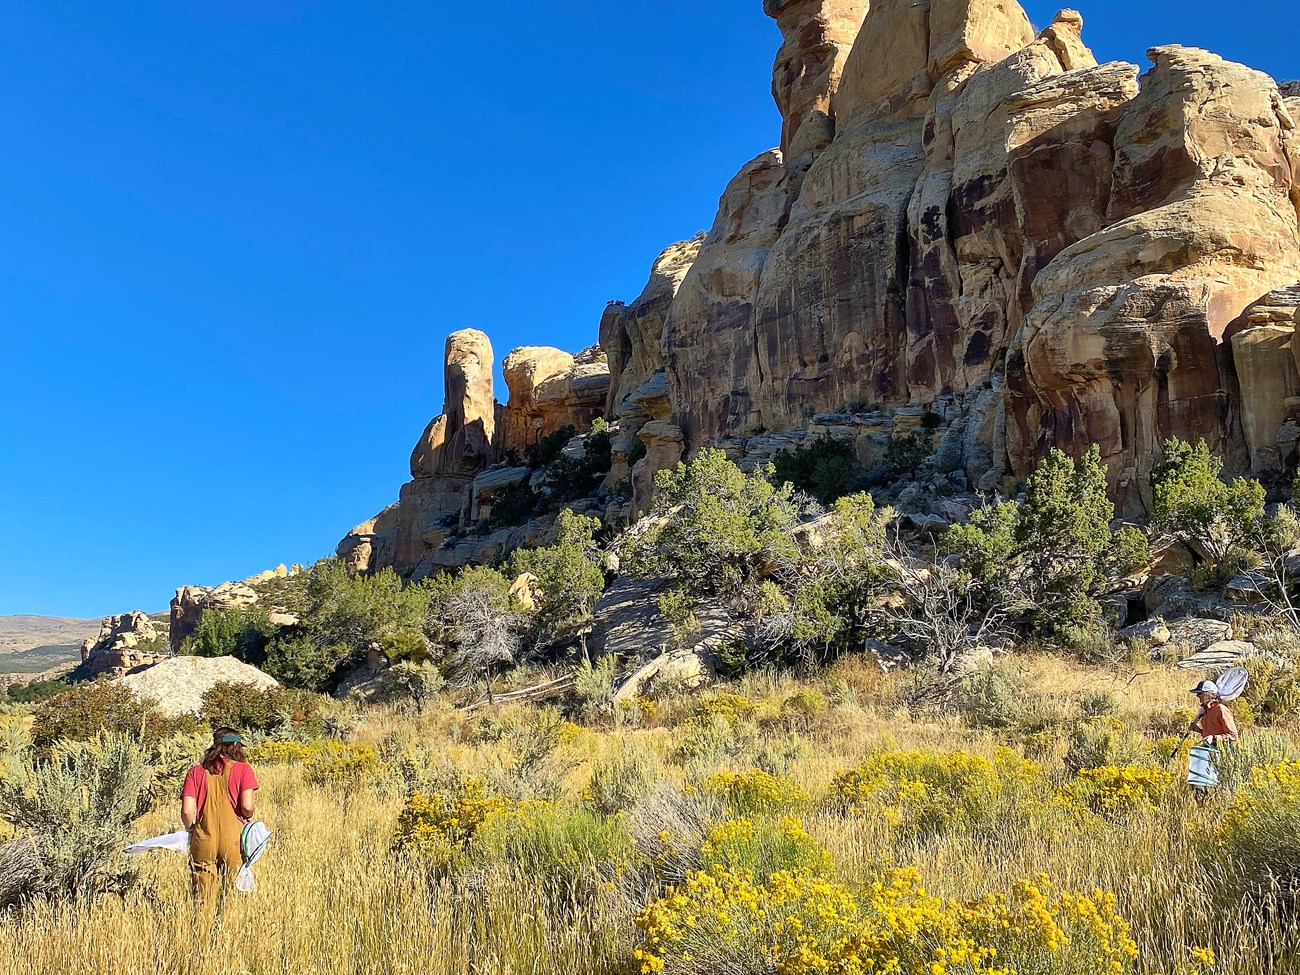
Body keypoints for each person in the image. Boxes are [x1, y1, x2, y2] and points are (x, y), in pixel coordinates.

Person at [181, 727, 259, 903]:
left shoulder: (195, 771)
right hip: (234, 839)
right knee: (232, 894)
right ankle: (227, 928)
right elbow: (247, 807)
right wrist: (250, 814)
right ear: (236, 746)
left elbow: (187, 810)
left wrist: (191, 830)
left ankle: (202, 930)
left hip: (203, 838)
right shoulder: (243, 769)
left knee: (202, 896)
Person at [1187, 679, 1239, 746]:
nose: (1197, 695)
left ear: (1208, 695)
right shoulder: (1206, 710)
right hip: (1211, 747)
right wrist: (1199, 730)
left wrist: (1214, 738)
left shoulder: (1221, 709)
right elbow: (1210, 734)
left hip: (1223, 750)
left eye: (1199, 693)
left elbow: (1233, 736)